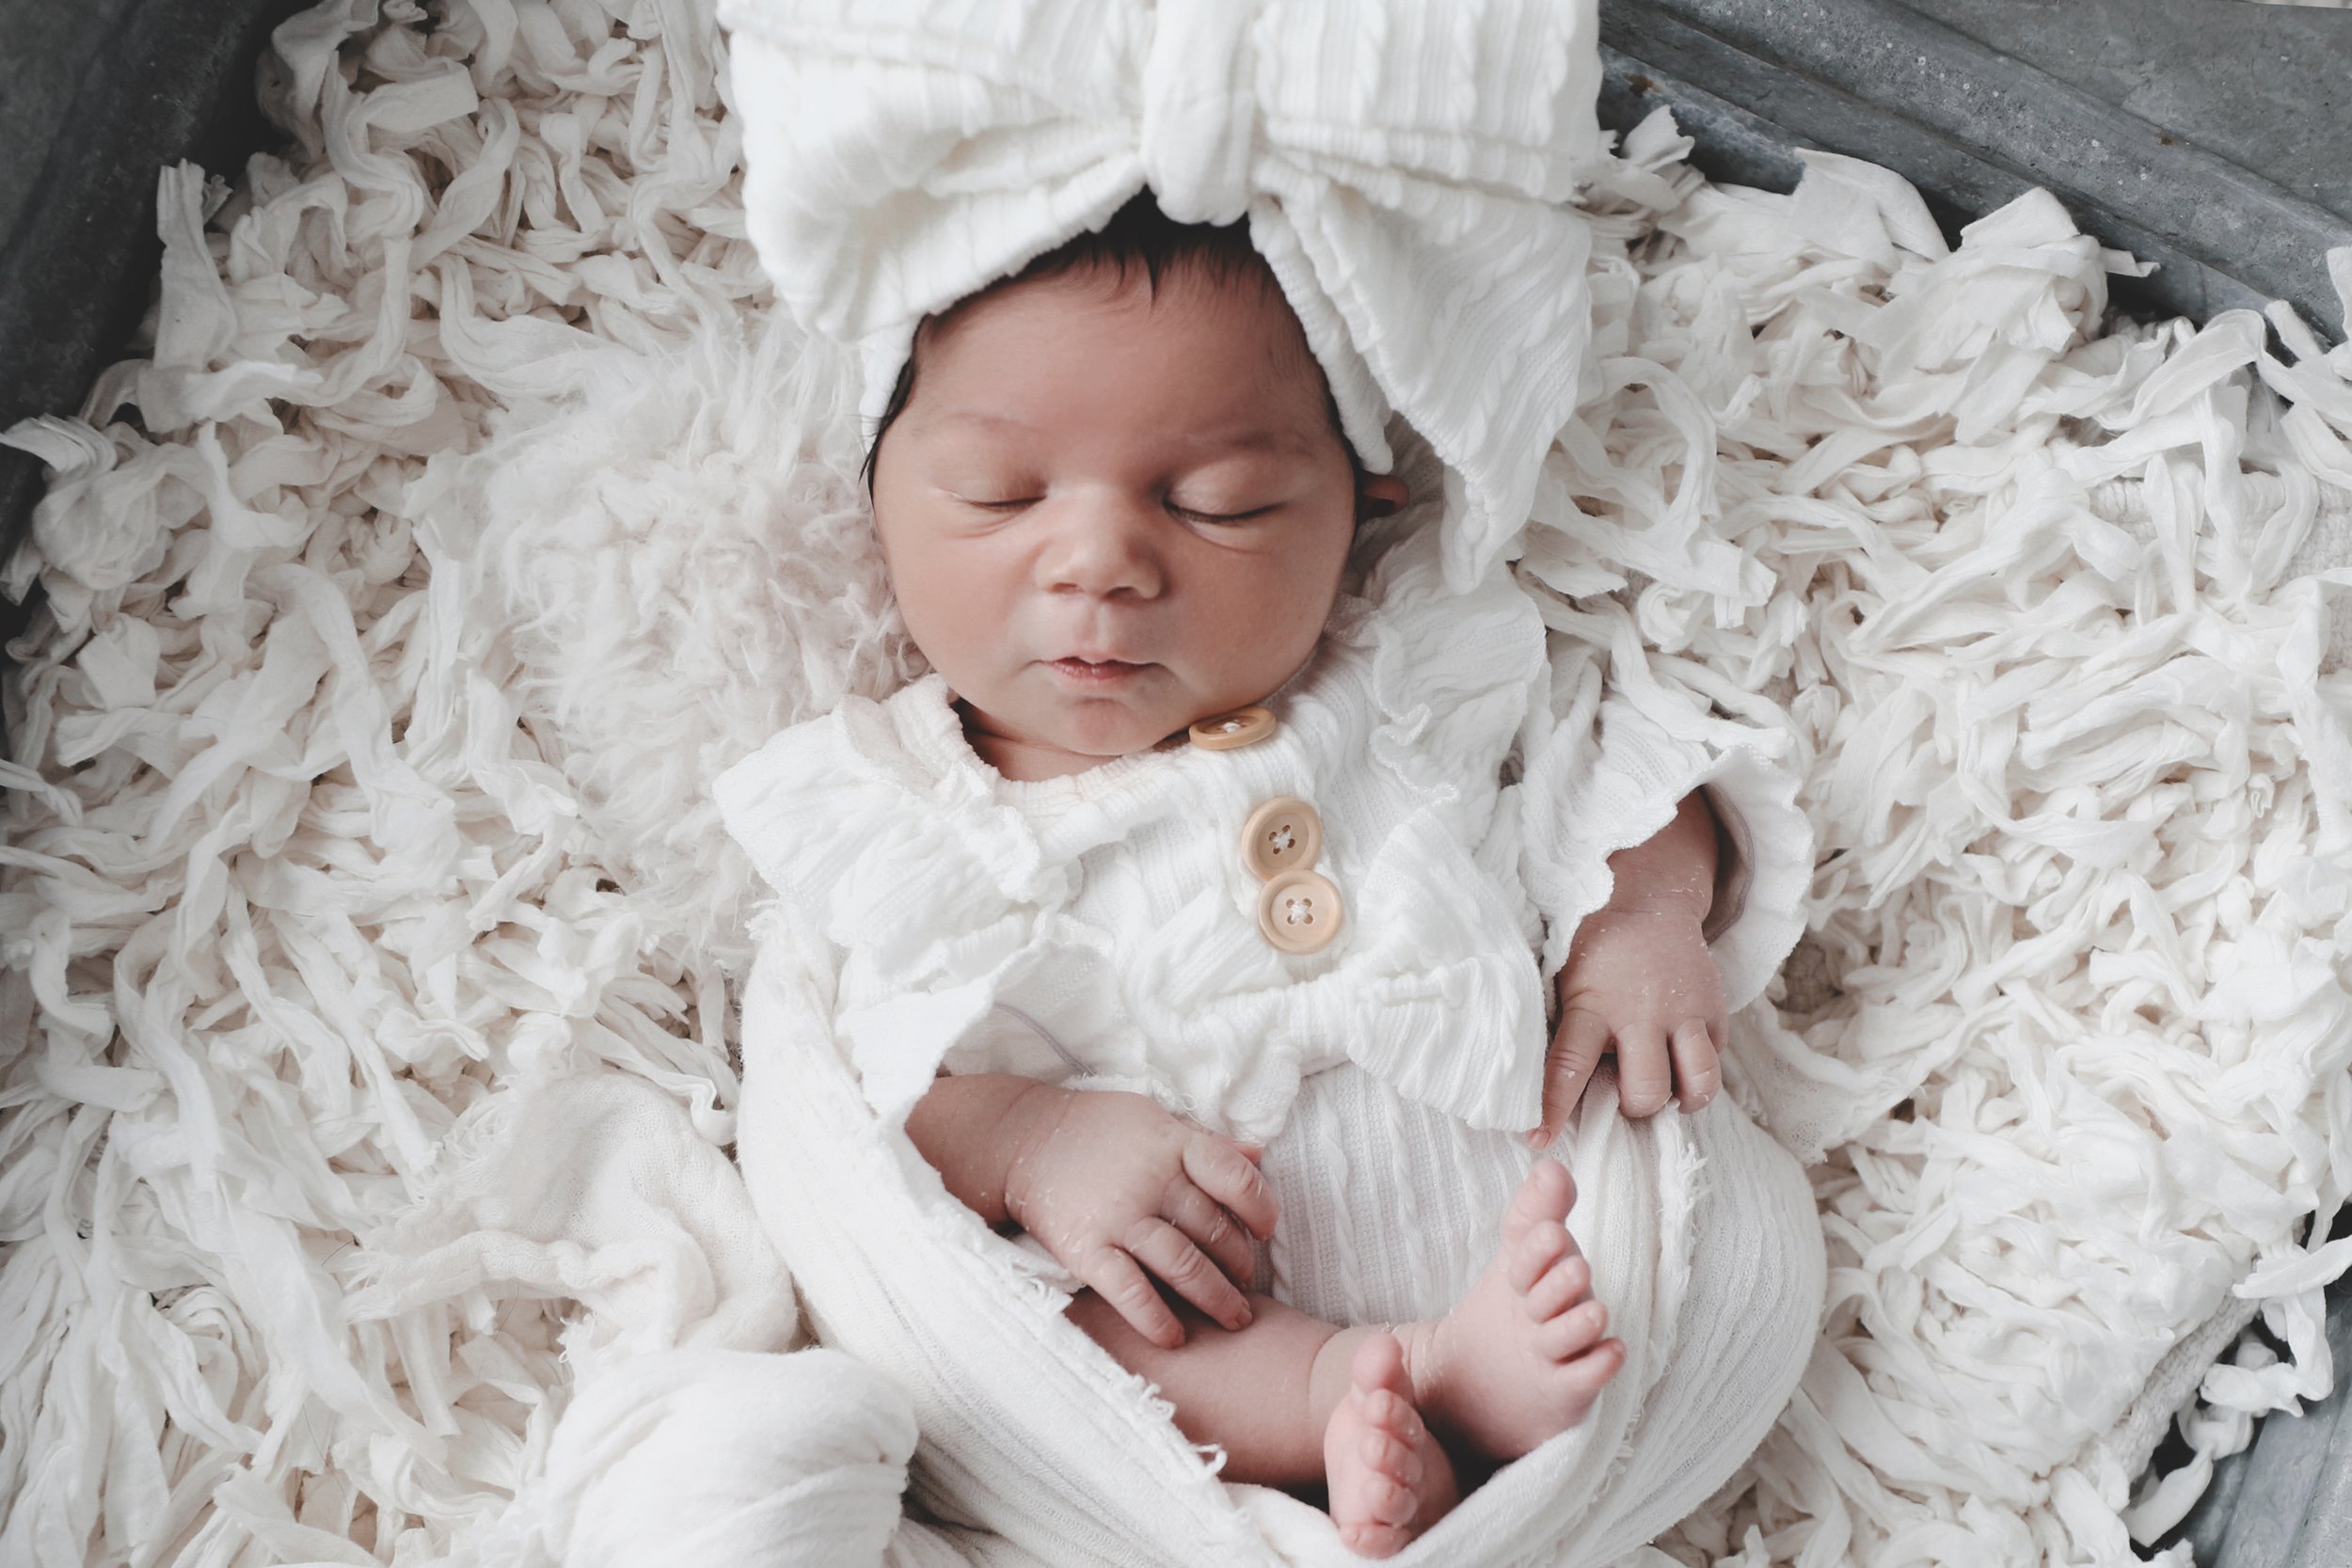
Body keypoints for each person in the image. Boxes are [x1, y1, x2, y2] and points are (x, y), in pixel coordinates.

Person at [716, 194, 1814, 1558]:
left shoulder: (1411, 666)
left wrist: (1645, 912)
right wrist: (1035, 1144)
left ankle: (1467, 1414)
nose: (1100, 564)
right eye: (1001, 494)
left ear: (1359, 511)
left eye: (1216, 504)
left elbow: (1620, 764)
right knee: (1082, 1311)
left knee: (1732, 1250)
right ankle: (1373, 1400)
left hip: (1547, 1206)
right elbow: (874, 1105)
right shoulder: (899, 813)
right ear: (878, 496)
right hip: (1212, 1301)